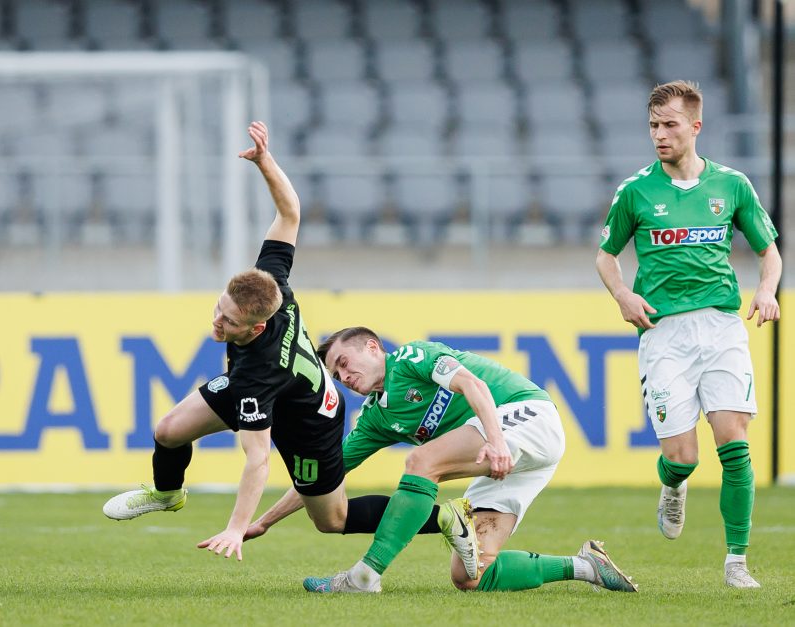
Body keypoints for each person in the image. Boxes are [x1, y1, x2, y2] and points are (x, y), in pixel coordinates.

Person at [102, 122, 476, 568]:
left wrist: (238, 527)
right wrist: (266, 163)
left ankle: (448, 519)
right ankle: (167, 493)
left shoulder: (257, 376)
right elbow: (290, 213)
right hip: (272, 381)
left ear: (257, 329)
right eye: (219, 307)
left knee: (332, 520)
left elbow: (258, 460)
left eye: (229, 321)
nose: (216, 320)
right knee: (168, 431)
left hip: (311, 419)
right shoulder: (269, 283)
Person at [247, 328, 637, 594]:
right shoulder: (376, 418)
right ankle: (587, 566)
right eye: (335, 373)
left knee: (422, 461)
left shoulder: (413, 357)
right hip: (506, 453)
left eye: (345, 363)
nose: (343, 376)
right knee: (471, 576)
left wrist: (499, 442)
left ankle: (365, 575)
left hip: (525, 416)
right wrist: (262, 522)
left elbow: (473, 385)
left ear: (372, 346)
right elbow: (324, 478)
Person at [596, 80, 781, 589]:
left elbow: (769, 251)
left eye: (670, 124)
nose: (659, 134)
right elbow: (605, 256)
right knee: (683, 456)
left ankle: (737, 562)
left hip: (721, 326)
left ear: (695, 127)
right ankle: (673, 484)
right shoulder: (635, 190)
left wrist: (767, 291)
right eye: (653, 125)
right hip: (663, 333)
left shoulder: (732, 185)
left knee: (734, 443)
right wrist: (624, 297)